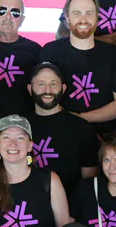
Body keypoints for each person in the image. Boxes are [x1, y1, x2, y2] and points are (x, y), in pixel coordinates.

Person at [40, 0, 116, 124]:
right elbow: (42, 95)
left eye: (89, 13)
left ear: (97, 17)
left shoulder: (115, 55)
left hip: (105, 138)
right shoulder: (50, 51)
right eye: (77, 13)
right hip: (60, 127)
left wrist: (82, 119)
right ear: (67, 17)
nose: (83, 19)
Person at [28, 62, 102, 192]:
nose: (47, 90)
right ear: (30, 89)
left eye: (53, 84)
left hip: (72, 205)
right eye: (41, 84)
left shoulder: (82, 128)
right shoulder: (20, 127)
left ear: (63, 88)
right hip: (27, 205)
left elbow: (89, 181)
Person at [0, 0, 42, 123]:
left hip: (21, 125)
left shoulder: (35, 50)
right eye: (2, 11)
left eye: (15, 12)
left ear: (22, 19)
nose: (8, 16)